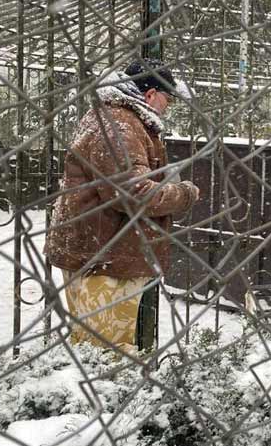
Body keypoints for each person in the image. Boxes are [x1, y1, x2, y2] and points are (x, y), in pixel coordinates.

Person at [45, 59, 199, 354]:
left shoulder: (117, 119)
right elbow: (132, 193)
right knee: (107, 351)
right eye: (168, 98)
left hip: (101, 249)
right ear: (151, 94)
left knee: (94, 347)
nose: (168, 107)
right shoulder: (119, 125)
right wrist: (183, 193)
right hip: (104, 255)